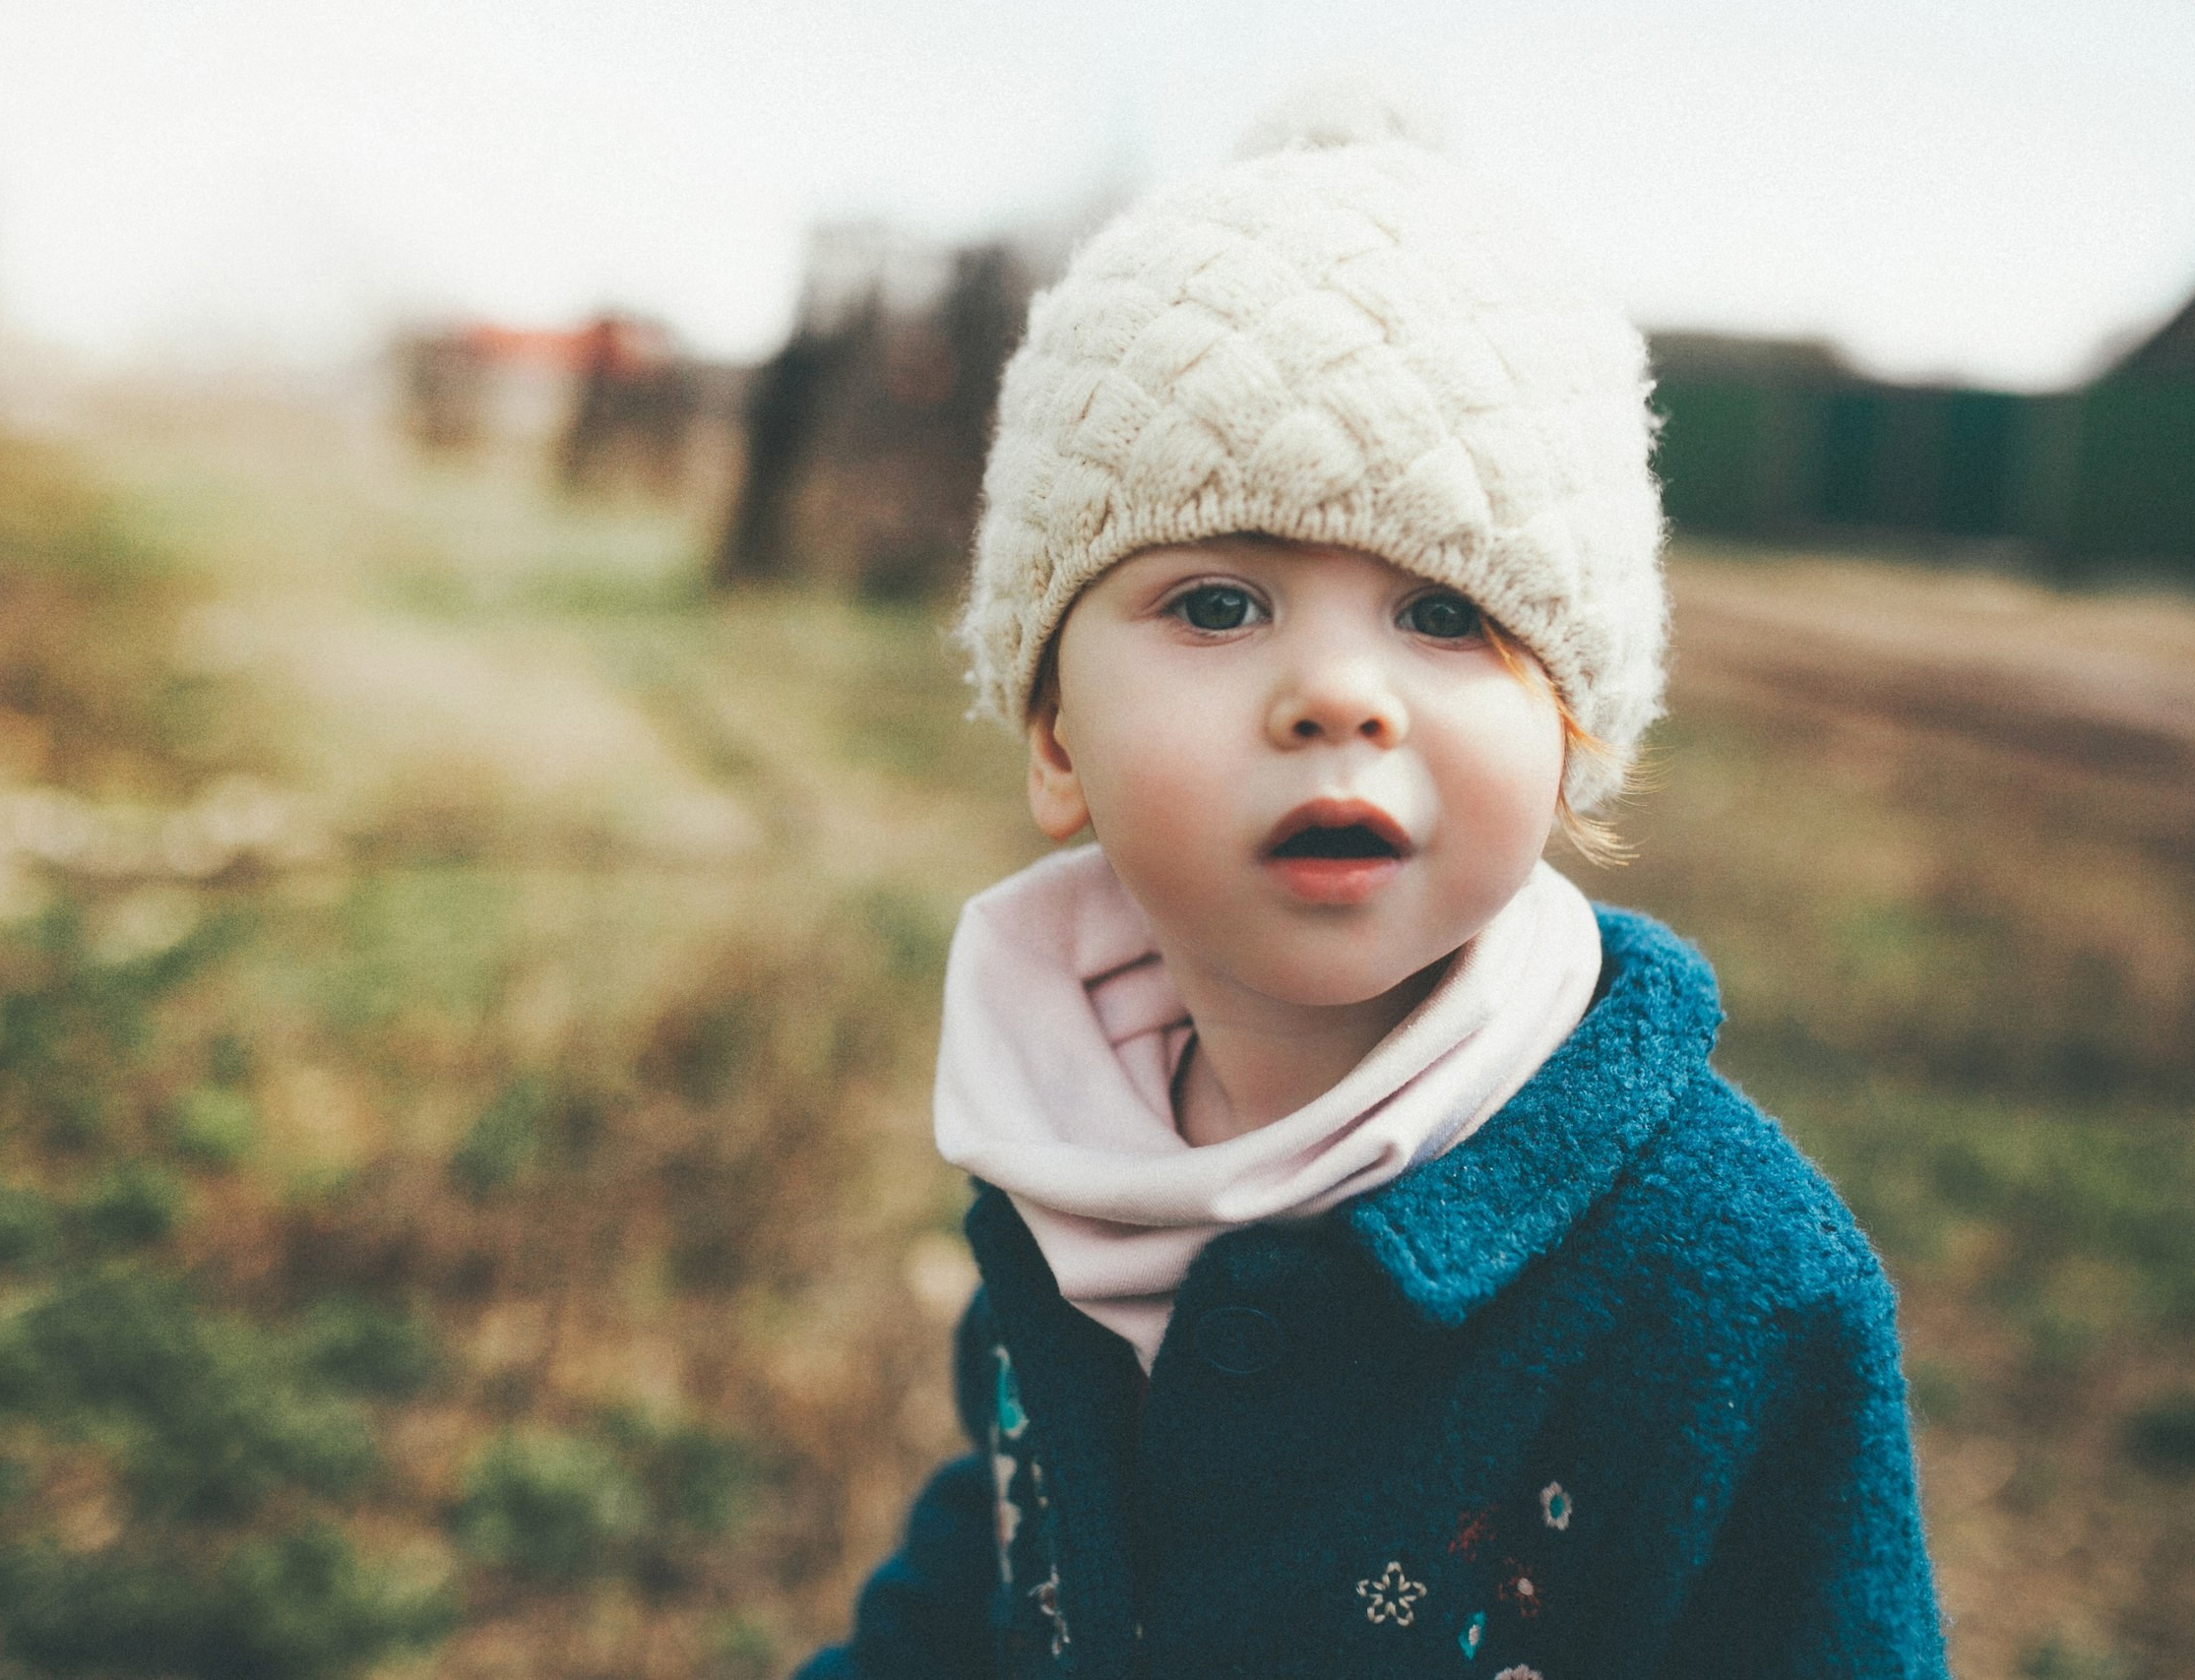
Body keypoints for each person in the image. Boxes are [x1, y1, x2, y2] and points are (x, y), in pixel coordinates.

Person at [798, 86, 1948, 1680]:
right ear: (1054, 737)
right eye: (1217, 604)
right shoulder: (1061, 1139)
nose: (1339, 695)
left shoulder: (1730, 1287)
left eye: (1446, 614)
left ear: (1575, 733)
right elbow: (1006, 1554)